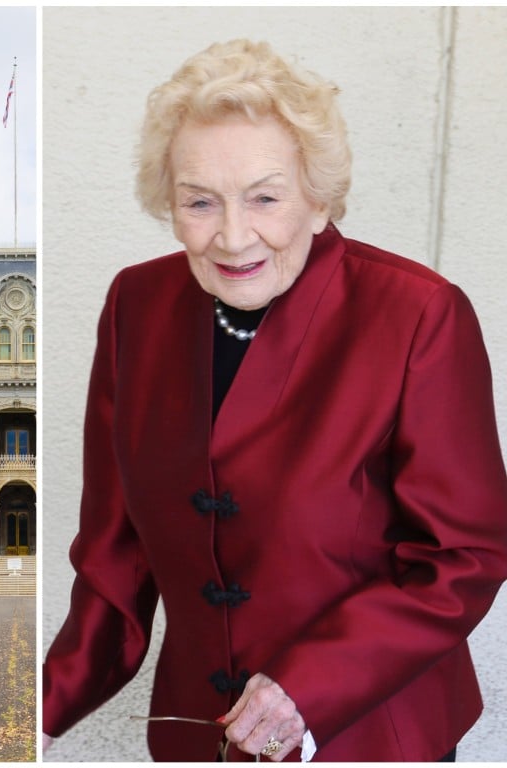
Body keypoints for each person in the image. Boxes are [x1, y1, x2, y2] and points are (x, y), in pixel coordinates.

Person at [42, 39, 507, 761]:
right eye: (200, 201)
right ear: (169, 203)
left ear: (319, 199)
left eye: (265, 197)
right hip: (200, 734)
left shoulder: (420, 316)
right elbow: (115, 552)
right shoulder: (136, 304)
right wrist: (27, 707)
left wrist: (308, 687)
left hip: (368, 735)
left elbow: (462, 555)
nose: (232, 236)